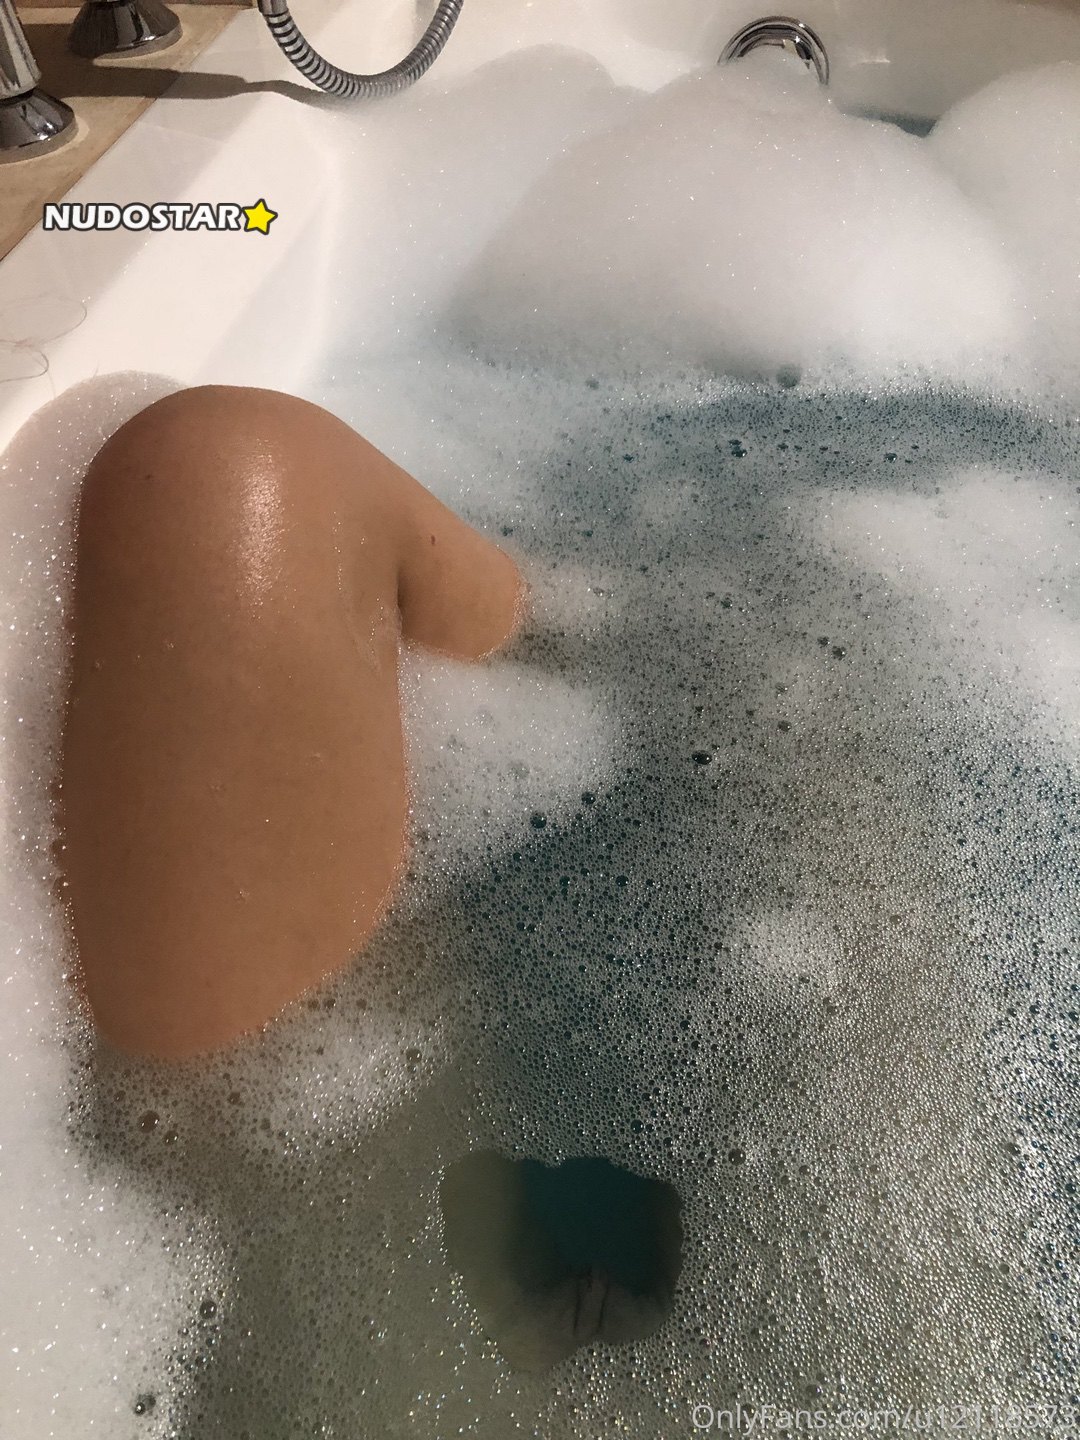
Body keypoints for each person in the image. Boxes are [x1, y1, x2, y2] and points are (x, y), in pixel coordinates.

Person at [59, 385, 524, 1059]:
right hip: (331, 1071)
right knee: (220, 459)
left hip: (315, 1072)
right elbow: (507, 630)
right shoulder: (220, 470)